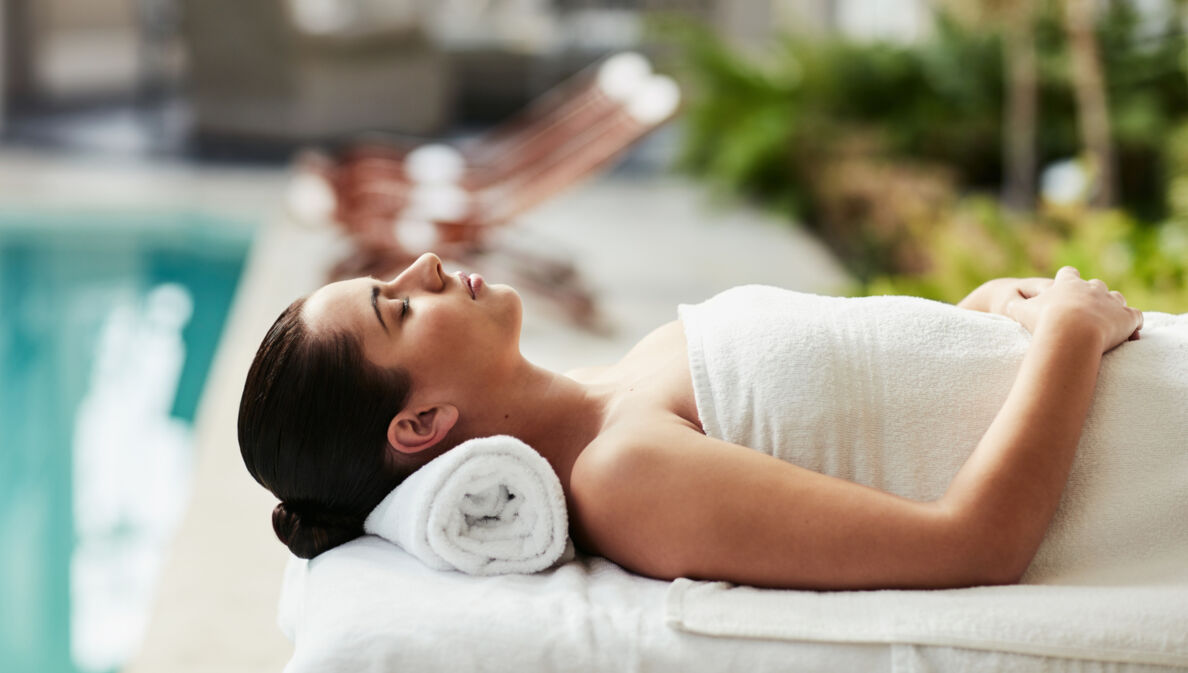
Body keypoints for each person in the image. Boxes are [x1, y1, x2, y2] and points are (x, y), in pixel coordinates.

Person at [238, 252, 1145, 590]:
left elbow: (873, 400)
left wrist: (980, 313)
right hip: (1141, 446)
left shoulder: (618, 380)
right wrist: (1065, 335)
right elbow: (971, 544)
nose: (424, 265)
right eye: (395, 309)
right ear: (421, 423)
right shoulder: (624, 475)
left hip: (1118, 363)